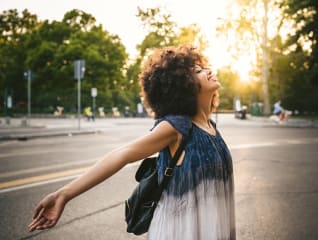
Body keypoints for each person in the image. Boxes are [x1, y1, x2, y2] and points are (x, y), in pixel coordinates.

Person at [28, 45, 236, 240]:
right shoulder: (176, 126)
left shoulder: (210, 127)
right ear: (183, 85)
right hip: (180, 231)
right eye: (197, 71)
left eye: (203, 67)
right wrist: (64, 194)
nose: (207, 70)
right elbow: (123, 153)